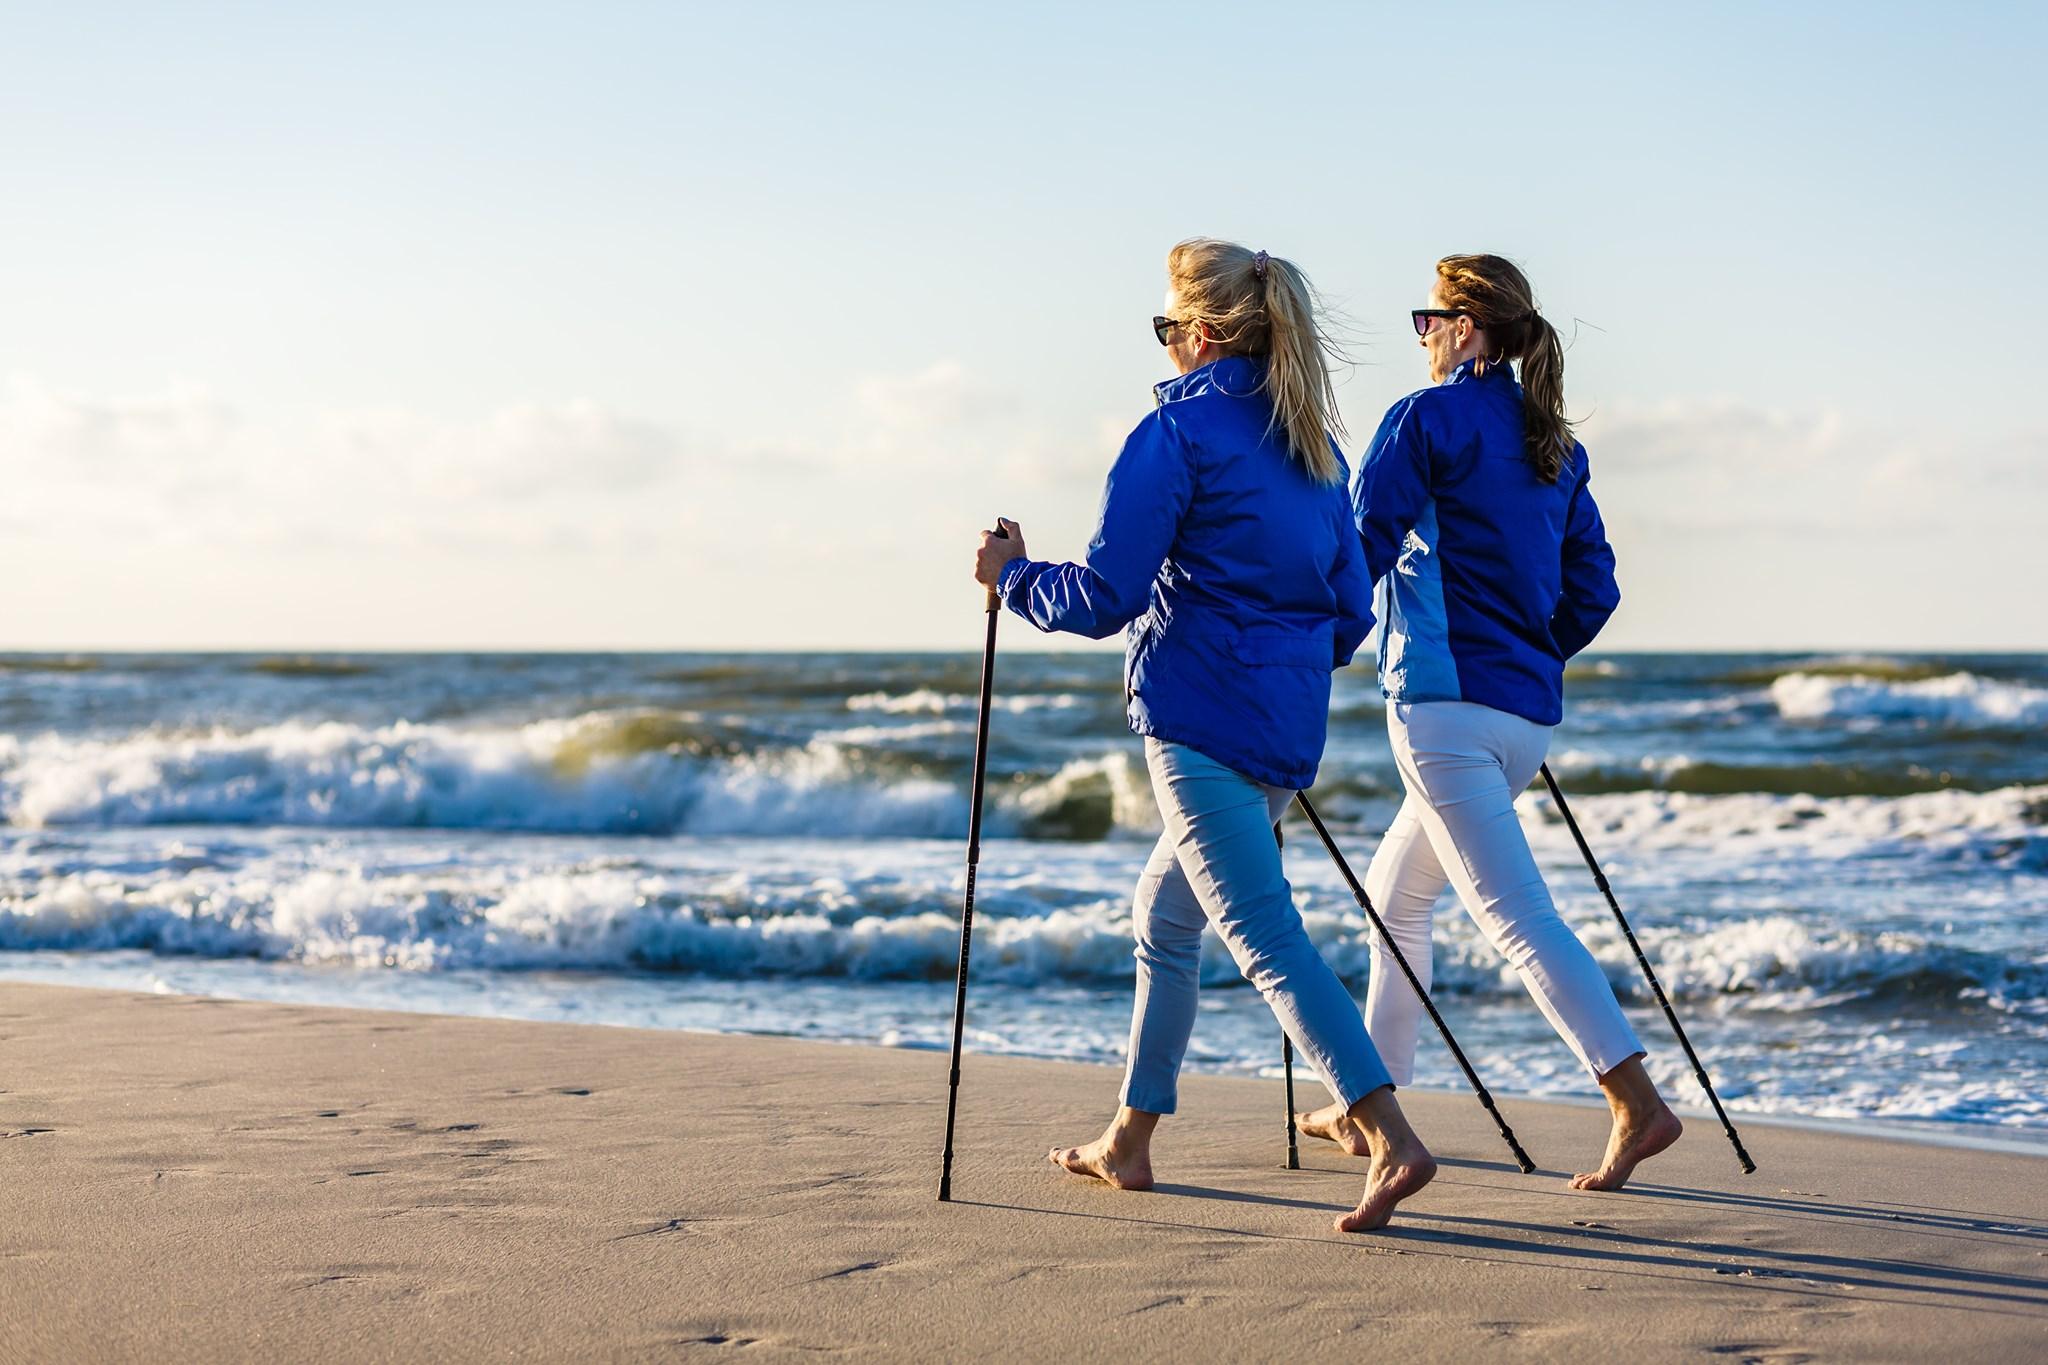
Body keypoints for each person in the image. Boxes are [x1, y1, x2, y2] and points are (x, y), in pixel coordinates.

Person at [972, 239, 1434, 1233]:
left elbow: (1104, 597)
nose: (1165, 347)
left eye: (1164, 328)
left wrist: (1010, 578)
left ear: (1200, 332)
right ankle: (1129, 1140)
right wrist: (1280, 657)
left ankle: (1387, 1134)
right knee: (1165, 919)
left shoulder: (1174, 432)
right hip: (1280, 730)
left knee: (1262, 935)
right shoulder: (1313, 449)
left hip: (1196, 721)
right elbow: (1349, 612)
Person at [1293, 253, 1681, 1191]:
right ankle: (1362, 1104)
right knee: (1398, 901)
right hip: (1521, 722)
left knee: (1514, 917)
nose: (1422, 335)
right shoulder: (1554, 440)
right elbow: (1597, 587)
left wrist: (1311, 646)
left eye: (1429, 318)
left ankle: (1635, 1097)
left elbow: (1360, 549)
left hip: (1442, 712)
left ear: (1466, 329)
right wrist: (1537, 651)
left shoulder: (1425, 418)